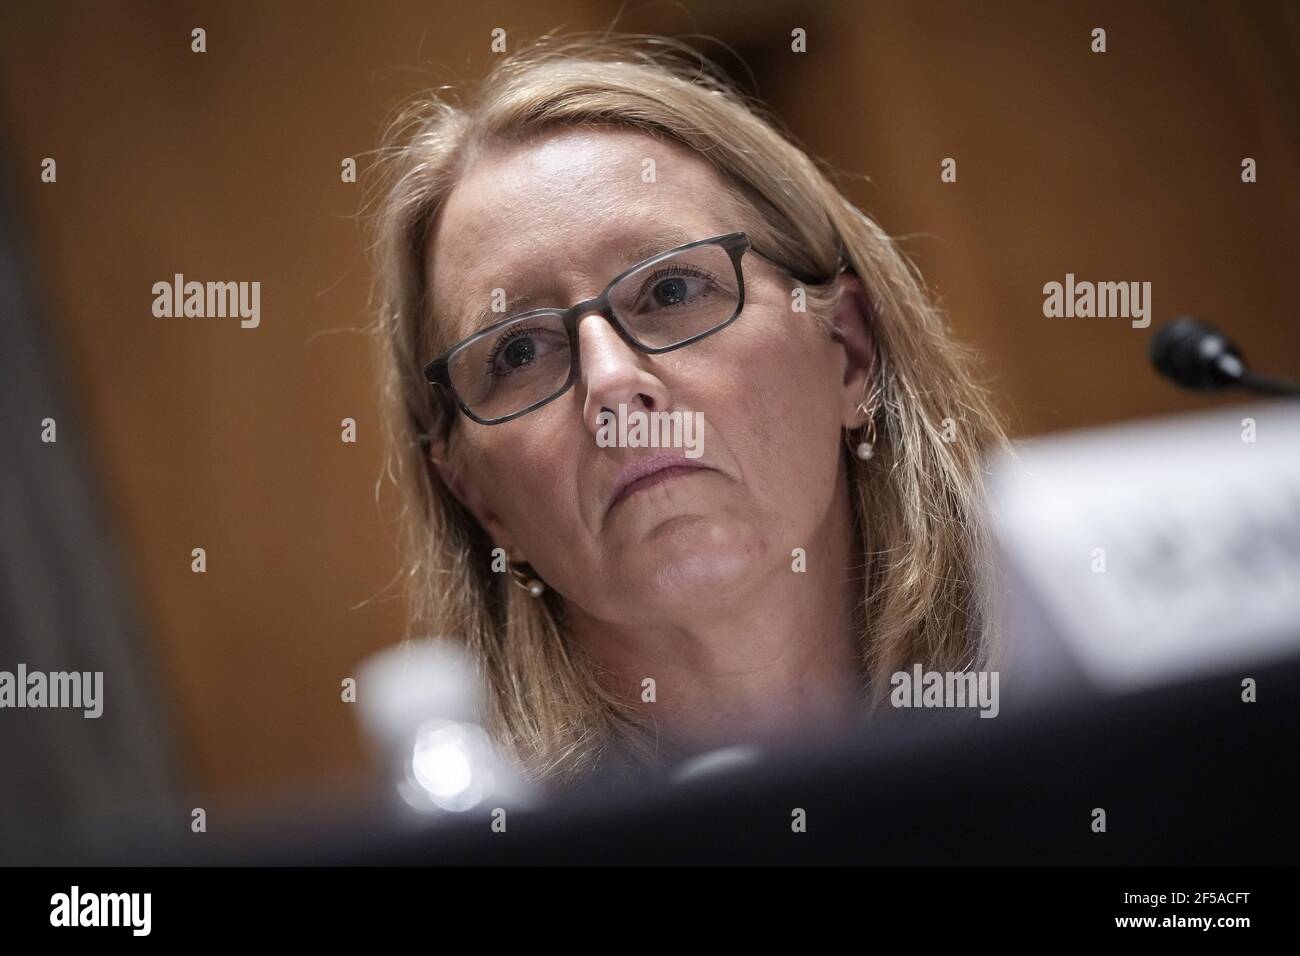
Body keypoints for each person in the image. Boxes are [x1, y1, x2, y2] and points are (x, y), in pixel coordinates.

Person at [369, 33, 1006, 791]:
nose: (609, 382)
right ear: (475, 495)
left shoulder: (1101, 737)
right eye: (517, 352)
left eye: (672, 291)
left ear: (850, 348)